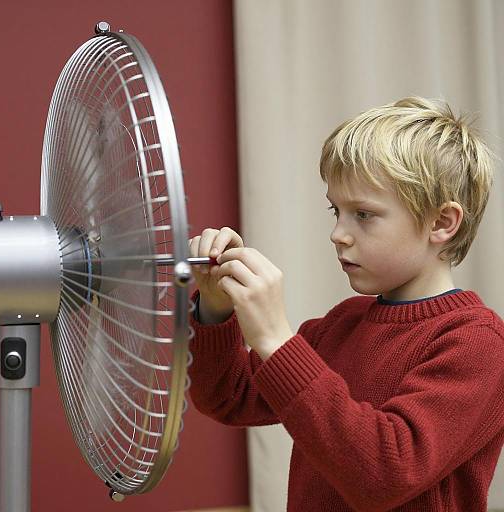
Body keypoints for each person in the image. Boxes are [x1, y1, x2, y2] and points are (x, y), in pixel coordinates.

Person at [187, 96, 504, 511]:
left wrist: (278, 342)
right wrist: (215, 307)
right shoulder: (341, 325)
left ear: (442, 223)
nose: (339, 233)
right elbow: (227, 397)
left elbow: (384, 475)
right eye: (336, 211)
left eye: (364, 214)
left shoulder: (478, 344)